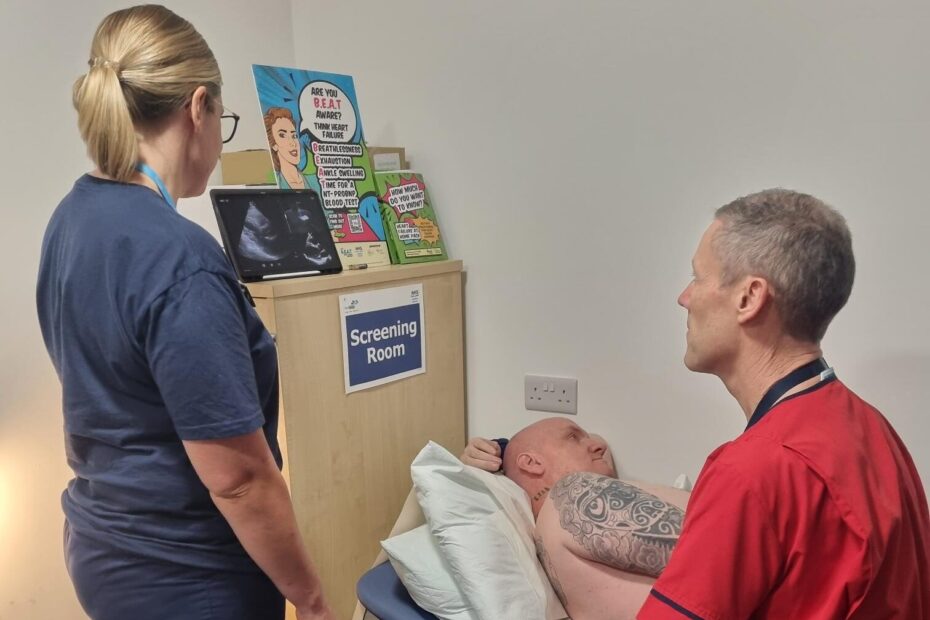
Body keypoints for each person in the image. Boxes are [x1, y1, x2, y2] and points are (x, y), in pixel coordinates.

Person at [36, 6, 334, 620]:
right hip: (188, 573)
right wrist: (310, 596)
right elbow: (239, 480)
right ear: (198, 108)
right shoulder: (180, 262)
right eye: (222, 121)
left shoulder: (72, 218)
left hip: (102, 546)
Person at [462, 417, 689, 620]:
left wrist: (501, 448)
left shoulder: (561, 526)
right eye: (573, 437)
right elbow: (711, 554)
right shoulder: (571, 493)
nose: (600, 445)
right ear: (531, 463)